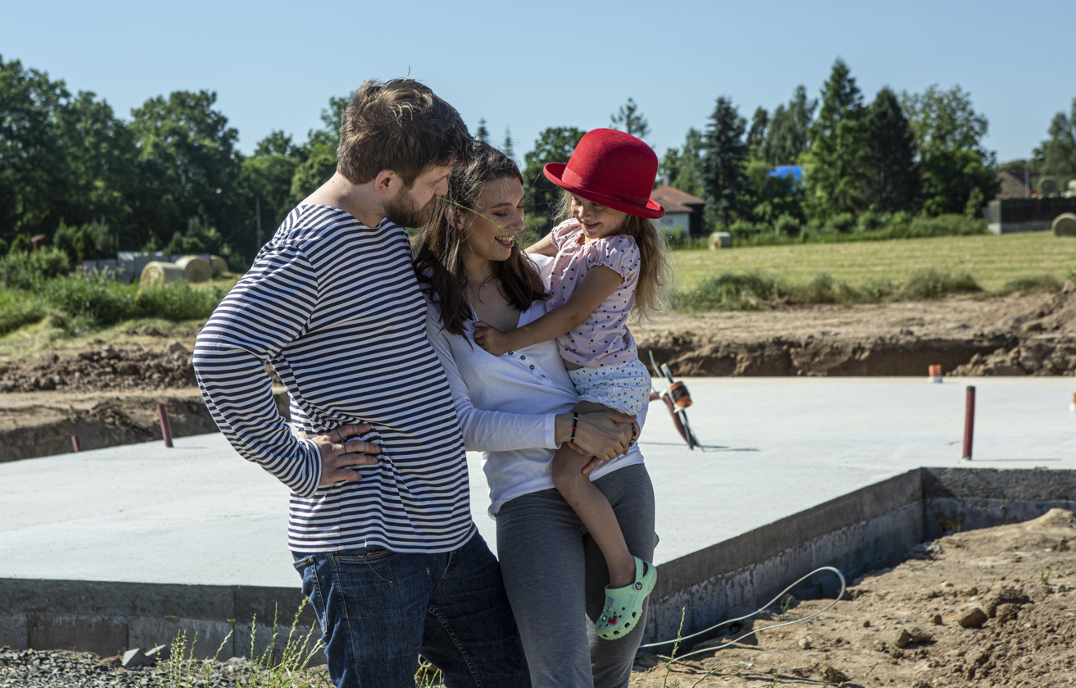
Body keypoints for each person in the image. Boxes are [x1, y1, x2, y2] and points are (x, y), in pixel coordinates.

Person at [193, 80, 529, 688]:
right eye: (434, 183)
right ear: (386, 181)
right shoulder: (313, 246)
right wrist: (299, 463)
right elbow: (222, 353)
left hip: (443, 530)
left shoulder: (378, 231)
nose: (442, 195)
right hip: (366, 544)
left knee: (505, 675)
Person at [415, 142, 654, 688]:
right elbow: (463, 425)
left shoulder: (549, 273)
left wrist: (622, 415)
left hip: (617, 475)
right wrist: (567, 428)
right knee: (558, 671)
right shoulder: (430, 309)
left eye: (520, 207)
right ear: (455, 212)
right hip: (528, 495)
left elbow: (607, 347)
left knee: (613, 663)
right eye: (501, 212)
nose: (518, 223)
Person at [470, 129, 669, 639]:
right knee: (571, 471)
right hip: (588, 383)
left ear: (630, 211)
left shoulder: (617, 252)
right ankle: (625, 558)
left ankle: (626, 571)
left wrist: (507, 340)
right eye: (579, 200)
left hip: (612, 383)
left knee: (567, 473)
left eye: (599, 206)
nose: (584, 213)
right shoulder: (569, 235)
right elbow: (515, 260)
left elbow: (572, 313)